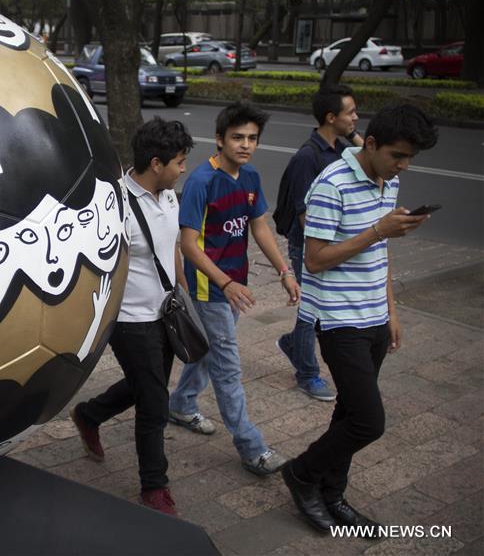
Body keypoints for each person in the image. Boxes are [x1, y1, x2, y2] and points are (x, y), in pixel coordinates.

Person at [281, 104, 438, 533]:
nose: (403, 166)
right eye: (398, 155)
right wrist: (377, 230)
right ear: (370, 144)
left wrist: (391, 310)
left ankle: (333, 494)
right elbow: (314, 260)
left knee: (349, 414)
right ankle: (301, 473)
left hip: (373, 315)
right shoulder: (331, 184)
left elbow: (379, 253)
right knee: (369, 422)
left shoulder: (389, 181)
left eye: (410, 159)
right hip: (338, 319)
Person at [69, 117, 193, 517]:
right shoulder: (114, 204)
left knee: (147, 385)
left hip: (165, 311)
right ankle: (154, 487)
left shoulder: (169, 194)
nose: (183, 168)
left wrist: (181, 289)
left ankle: (89, 414)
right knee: (155, 402)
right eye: (179, 161)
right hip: (128, 318)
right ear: (156, 163)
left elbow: (170, 244)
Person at [168, 102, 298, 477]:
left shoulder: (250, 177)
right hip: (210, 288)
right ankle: (252, 447)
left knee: (211, 352)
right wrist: (224, 282)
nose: (245, 145)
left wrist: (284, 270)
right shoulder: (200, 182)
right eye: (237, 137)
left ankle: (181, 403)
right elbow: (189, 244)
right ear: (220, 139)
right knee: (228, 366)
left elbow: (259, 227)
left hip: (234, 285)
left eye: (252, 138)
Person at [273, 85, 364, 401]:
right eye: (350, 112)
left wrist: (352, 136)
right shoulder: (307, 158)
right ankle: (307, 374)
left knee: (320, 309)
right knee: (312, 309)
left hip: (331, 246)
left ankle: (292, 344)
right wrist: (328, 249)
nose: (356, 117)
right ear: (330, 117)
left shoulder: (340, 150)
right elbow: (305, 216)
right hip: (309, 247)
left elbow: (372, 161)